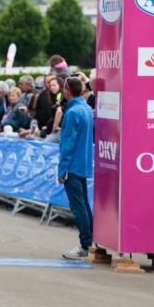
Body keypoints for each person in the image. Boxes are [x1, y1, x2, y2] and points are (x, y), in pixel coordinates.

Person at [57, 76, 93, 260]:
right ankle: (89, 242)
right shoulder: (86, 109)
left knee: (78, 206)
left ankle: (85, 245)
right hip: (83, 163)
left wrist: (62, 170)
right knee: (84, 204)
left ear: (67, 90)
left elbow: (67, 144)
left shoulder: (72, 113)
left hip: (72, 165)